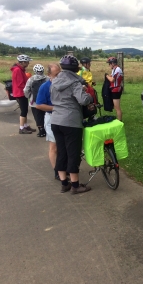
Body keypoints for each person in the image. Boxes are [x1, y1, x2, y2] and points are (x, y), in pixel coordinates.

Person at [51, 55, 93, 194]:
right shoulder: (75, 83)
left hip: (56, 120)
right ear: (75, 68)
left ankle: (64, 183)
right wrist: (88, 95)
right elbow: (83, 100)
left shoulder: (54, 81)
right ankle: (75, 185)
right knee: (73, 153)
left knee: (61, 152)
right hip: (71, 122)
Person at [35, 63, 62, 181]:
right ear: (49, 75)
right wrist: (55, 108)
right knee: (54, 146)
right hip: (51, 117)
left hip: (64, 118)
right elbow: (39, 105)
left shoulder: (64, 85)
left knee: (64, 146)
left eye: (60, 73)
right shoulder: (45, 87)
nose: (59, 76)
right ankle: (57, 170)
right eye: (56, 74)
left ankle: (63, 168)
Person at [11, 54, 36, 134]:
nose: (28, 63)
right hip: (20, 93)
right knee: (23, 111)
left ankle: (25, 126)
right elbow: (20, 84)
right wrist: (29, 88)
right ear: (23, 62)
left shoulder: (20, 69)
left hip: (22, 93)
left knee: (25, 110)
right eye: (27, 62)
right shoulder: (18, 70)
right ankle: (21, 128)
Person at [24, 64, 49, 137]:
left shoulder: (31, 79)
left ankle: (41, 130)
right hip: (46, 102)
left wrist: (29, 96)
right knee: (46, 115)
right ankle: (47, 129)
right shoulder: (47, 78)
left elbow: (26, 90)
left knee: (37, 116)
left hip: (34, 102)